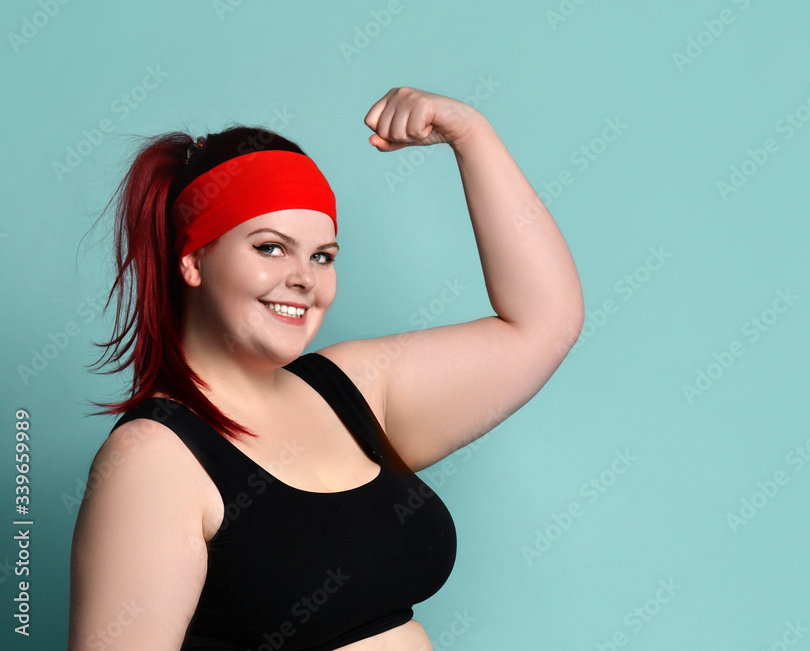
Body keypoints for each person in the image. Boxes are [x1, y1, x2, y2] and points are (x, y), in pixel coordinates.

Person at [68, 86, 584, 650]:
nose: (304, 278)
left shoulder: (355, 387)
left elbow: (544, 323)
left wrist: (471, 135)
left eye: (322, 256)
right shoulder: (152, 460)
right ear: (194, 259)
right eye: (270, 247)